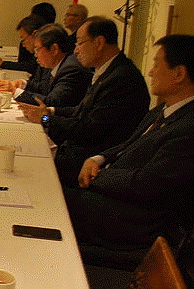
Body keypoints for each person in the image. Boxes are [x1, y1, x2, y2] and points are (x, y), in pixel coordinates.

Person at [64, 34, 194, 252]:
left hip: (136, 221)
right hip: (114, 193)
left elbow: (148, 184)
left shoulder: (188, 127)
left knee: (50, 200)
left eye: (156, 64)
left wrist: (97, 176)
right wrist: (97, 159)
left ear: (179, 73)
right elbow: (129, 144)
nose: (150, 72)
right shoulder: (164, 109)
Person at [18, 16, 150, 186]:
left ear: (100, 42)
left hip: (88, 162)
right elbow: (81, 110)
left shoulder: (122, 78)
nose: (75, 50)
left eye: (80, 43)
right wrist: (49, 111)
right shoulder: (108, 70)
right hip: (77, 150)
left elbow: (89, 129)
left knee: (23, 169)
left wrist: (45, 119)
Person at [0, 23, 91, 107]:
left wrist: (16, 92)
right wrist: (23, 84)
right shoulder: (61, 63)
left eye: (38, 49)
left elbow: (52, 102)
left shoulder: (71, 69)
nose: (35, 55)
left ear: (54, 49)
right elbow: (45, 88)